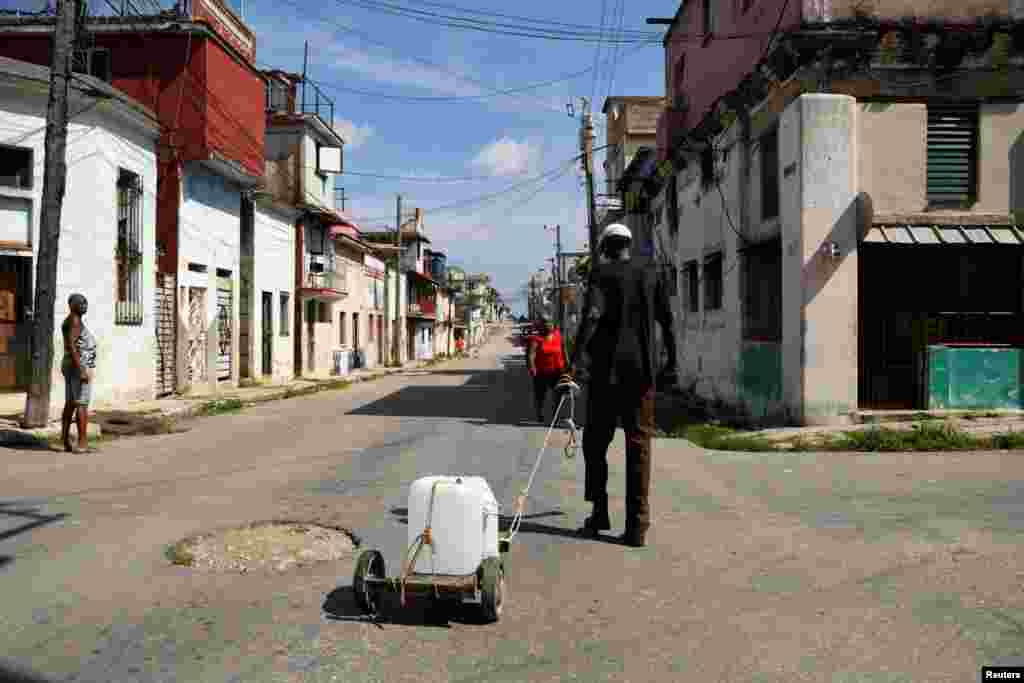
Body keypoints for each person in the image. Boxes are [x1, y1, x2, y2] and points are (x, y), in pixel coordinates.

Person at [567, 223, 677, 548]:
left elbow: (591, 318)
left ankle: (600, 513)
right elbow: (667, 320)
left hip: (605, 375)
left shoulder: (601, 275)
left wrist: (574, 363)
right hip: (642, 375)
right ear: (629, 244)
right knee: (639, 446)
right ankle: (637, 526)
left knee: (594, 444)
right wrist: (670, 362)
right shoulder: (651, 273)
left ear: (604, 247)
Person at [61, 293, 97, 454]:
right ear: (72, 305)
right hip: (78, 367)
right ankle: (82, 443)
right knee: (81, 403)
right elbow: (72, 346)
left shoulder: (71, 321)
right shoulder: (75, 322)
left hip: (71, 365)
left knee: (70, 402)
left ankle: (65, 441)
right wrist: (82, 370)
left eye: (85, 302)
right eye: (81, 303)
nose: (85, 305)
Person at [526, 315, 567, 424]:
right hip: (542, 372)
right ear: (541, 326)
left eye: (550, 323)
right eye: (545, 323)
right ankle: (539, 413)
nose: (548, 325)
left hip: (558, 371)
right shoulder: (536, 339)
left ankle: (556, 416)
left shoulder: (558, 335)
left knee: (558, 394)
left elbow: (563, 351)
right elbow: (531, 355)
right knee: (540, 396)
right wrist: (532, 369)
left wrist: (568, 366)